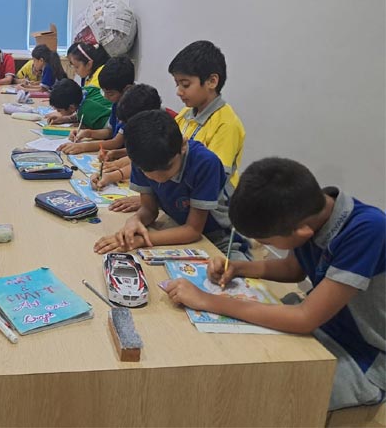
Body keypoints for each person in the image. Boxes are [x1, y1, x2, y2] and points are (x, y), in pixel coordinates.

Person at [163, 157, 385, 411]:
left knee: (264, 397)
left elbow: (304, 318)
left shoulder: (368, 231)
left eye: (267, 242)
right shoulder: (310, 208)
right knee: (229, 359)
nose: (262, 246)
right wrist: (238, 268)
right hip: (321, 326)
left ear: (302, 232)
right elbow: (293, 269)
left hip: (364, 357)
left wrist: (207, 300)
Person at [93, 109, 246, 259]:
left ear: (183, 146)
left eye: (167, 167)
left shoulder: (205, 163)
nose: (159, 178)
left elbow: (193, 230)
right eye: (149, 172)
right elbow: (149, 209)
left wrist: (141, 240)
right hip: (177, 227)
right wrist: (135, 220)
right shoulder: (143, 158)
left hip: (219, 240)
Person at [170, 40, 245, 187]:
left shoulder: (226, 124)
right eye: (177, 84)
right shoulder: (184, 115)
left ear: (212, 81)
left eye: (185, 84)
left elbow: (213, 177)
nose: (179, 92)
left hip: (214, 198)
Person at [87, 83, 161, 191]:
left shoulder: (161, 133)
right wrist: (116, 154)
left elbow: (149, 159)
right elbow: (141, 152)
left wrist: (116, 172)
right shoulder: (145, 121)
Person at [58, 57, 135, 155]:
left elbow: (116, 142)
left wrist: (83, 147)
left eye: (110, 93)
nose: (106, 97)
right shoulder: (117, 103)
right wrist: (88, 133)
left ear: (127, 89)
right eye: (104, 92)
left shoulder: (132, 108)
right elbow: (110, 131)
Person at [45, 77, 111, 130]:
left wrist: (86, 127)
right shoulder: (83, 94)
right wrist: (67, 119)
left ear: (71, 107)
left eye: (59, 110)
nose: (58, 112)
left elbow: (109, 129)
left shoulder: (86, 110)